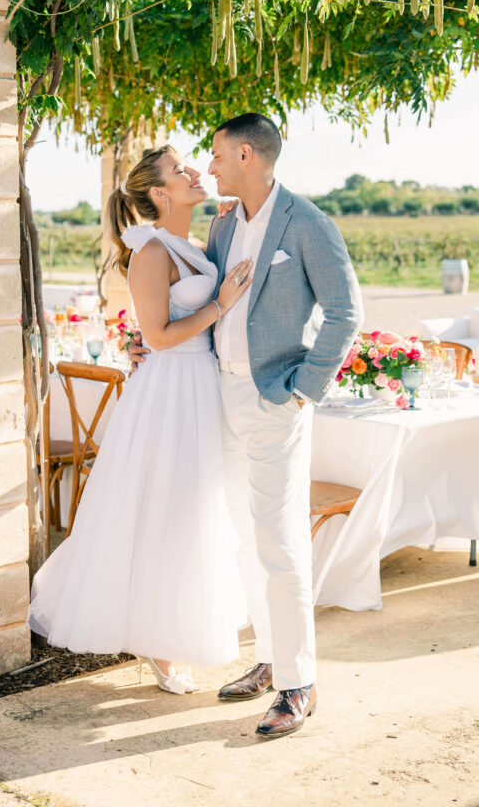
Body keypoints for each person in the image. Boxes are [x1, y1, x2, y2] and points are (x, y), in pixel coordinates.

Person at [130, 113, 363, 737]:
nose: (207, 167)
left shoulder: (308, 224)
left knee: (280, 540)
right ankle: (268, 658)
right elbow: (197, 299)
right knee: (241, 535)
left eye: (216, 155)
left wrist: (301, 393)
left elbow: (345, 315)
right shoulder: (224, 223)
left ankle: (298, 683)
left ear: (248, 156)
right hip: (215, 395)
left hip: (273, 400)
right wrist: (146, 345)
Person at [28, 145, 252, 694]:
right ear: (158, 193)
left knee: (194, 513)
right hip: (170, 392)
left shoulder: (196, 243)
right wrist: (218, 304)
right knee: (163, 510)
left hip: (203, 387)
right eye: (181, 171)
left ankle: (172, 625)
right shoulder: (151, 252)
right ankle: (157, 641)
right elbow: (156, 337)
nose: (195, 172)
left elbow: (160, 327)